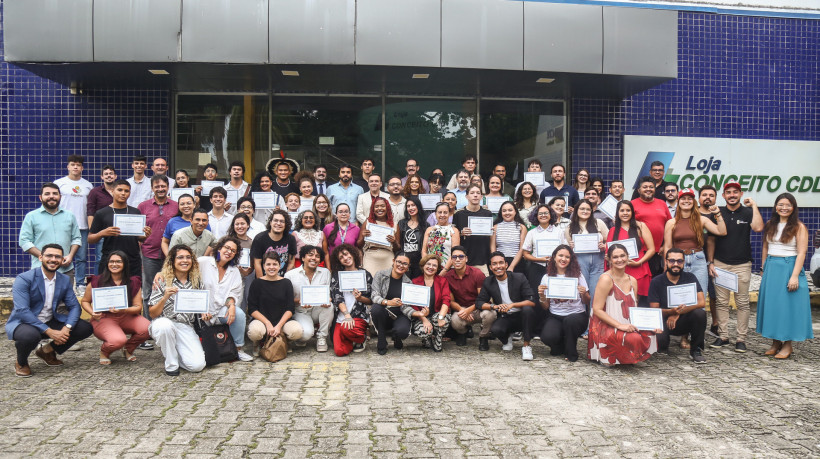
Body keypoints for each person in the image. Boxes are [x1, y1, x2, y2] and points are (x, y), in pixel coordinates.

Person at [7, 244, 94, 377]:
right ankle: (21, 362)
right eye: (49, 256)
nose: (53, 259)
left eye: (57, 257)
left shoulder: (63, 279)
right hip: (24, 323)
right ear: (41, 257)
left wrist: (67, 328)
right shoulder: (24, 278)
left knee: (85, 327)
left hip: (50, 319)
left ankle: (47, 351)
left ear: (62, 260)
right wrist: (49, 332)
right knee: (30, 336)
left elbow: (74, 306)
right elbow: (22, 311)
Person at [706, 180, 763, 352]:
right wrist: (711, 262)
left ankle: (741, 339)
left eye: (735, 192)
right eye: (728, 192)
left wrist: (754, 206)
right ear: (723, 196)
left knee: (743, 303)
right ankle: (723, 336)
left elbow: (759, 227)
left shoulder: (747, 212)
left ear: (740, 194)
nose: (732, 195)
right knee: (722, 303)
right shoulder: (717, 212)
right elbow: (711, 240)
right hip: (721, 263)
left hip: (742, 264)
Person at [756, 192, 812, 359]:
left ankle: (787, 345)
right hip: (771, 268)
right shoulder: (770, 224)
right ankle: (775, 342)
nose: (784, 208)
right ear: (775, 206)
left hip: (789, 267)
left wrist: (794, 276)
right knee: (773, 306)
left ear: (793, 208)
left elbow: (802, 253)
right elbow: (765, 247)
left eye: (788, 205)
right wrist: (763, 267)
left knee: (787, 308)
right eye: (781, 204)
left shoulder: (799, 227)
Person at [588, 244, 659, 366]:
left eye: (622, 256)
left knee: (653, 333)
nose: (620, 260)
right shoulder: (605, 279)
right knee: (634, 338)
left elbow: (633, 308)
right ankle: (613, 356)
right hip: (606, 324)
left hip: (626, 322)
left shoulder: (633, 280)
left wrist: (649, 325)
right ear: (609, 260)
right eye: (615, 257)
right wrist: (620, 326)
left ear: (628, 257)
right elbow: (597, 309)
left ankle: (626, 355)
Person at [80, 251, 150, 365]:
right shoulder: (97, 281)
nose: (114, 264)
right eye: (111, 261)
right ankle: (105, 352)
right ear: (107, 264)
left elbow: (138, 307)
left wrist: (123, 309)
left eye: (118, 261)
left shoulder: (133, 281)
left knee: (148, 328)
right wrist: (92, 312)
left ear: (125, 264)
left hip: (126, 315)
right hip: (104, 318)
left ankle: (128, 348)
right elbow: (85, 301)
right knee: (118, 340)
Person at [147, 244, 207, 376]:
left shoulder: (196, 282)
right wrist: (165, 297)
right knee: (165, 326)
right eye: (180, 257)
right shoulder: (162, 280)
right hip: (163, 322)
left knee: (197, 366)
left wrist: (204, 312)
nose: (184, 261)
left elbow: (201, 308)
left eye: (188, 257)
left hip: (185, 326)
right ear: (172, 261)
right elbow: (152, 313)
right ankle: (171, 363)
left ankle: (175, 352)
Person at [198, 237, 254, 362]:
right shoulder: (203, 262)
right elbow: (182, 268)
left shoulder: (234, 271)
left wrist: (232, 306)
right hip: (199, 311)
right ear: (219, 248)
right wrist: (160, 274)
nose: (229, 252)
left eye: (233, 251)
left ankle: (238, 349)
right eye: (227, 248)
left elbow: (233, 293)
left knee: (239, 314)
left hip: (219, 311)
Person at [648, 248, 707, 363]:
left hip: (684, 320)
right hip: (664, 321)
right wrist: (671, 312)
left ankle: (696, 350)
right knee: (662, 347)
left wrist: (677, 313)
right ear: (666, 262)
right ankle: (663, 345)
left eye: (679, 261)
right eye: (672, 261)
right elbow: (654, 310)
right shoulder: (656, 281)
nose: (676, 264)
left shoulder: (690, 278)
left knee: (700, 313)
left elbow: (701, 302)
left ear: (684, 262)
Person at [662, 188, 726, 294]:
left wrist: (718, 214)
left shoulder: (702, 220)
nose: (686, 201)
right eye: (683, 198)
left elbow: (722, 231)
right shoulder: (671, 223)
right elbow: (668, 246)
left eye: (689, 198)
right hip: (677, 260)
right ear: (678, 201)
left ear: (694, 202)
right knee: (679, 295)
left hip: (698, 259)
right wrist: (666, 264)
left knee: (700, 294)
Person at [476, 252, 537, 360]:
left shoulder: (519, 277)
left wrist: (512, 305)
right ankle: (507, 338)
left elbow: (531, 301)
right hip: (505, 316)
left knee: (528, 310)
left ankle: (526, 346)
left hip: (522, 316)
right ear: (490, 267)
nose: (498, 266)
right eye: (494, 264)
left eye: (501, 263)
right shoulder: (488, 281)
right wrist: (494, 307)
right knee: (495, 330)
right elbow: (479, 302)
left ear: (506, 265)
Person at [19, 183, 81, 287]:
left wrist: (70, 256)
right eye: (47, 194)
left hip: (65, 270)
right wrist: (43, 257)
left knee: (65, 302)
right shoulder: (31, 217)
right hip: (40, 269)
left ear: (60, 197)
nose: (51, 196)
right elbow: (24, 241)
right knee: (40, 302)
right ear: (40, 197)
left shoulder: (70, 216)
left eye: (55, 194)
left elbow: (77, 238)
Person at [536, 245, 590, 362]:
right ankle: (560, 345)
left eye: (567, 257)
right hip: (556, 315)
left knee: (570, 321)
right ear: (554, 257)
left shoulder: (578, 276)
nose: (563, 259)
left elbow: (587, 301)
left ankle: (571, 353)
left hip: (577, 315)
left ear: (571, 260)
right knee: (547, 337)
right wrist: (541, 296)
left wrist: (584, 293)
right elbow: (546, 306)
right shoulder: (547, 277)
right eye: (560, 255)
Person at [88, 180, 149, 278]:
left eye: (126, 191)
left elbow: (139, 238)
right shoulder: (102, 213)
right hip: (110, 260)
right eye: (119, 190)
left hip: (132, 259)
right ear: (112, 191)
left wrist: (145, 235)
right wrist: (102, 233)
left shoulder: (135, 212)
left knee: (133, 290)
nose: (123, 193)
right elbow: (90, 239)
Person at [246, 253, 303, 352]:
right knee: (255, 332)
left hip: (282, 322)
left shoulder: (286, 283)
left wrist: (279, 326)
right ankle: (258, 342)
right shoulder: (257, 283)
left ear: (279, 266)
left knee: (297, 331)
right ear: (263, 266)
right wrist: (267, 323)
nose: (271, 267)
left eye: (274, 264)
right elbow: (252, 309)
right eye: (268, 264)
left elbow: (290, 308)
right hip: (262, 321)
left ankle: (284, 341)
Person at [54, 154, 93, 292]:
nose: (75, 167)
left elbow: (91, 207)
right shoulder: (59, 183)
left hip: (82, 226)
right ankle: (60, 281)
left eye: (78, 165)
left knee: (81, 257)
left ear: (82, 168)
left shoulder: (88, 185)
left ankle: (80, 283)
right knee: (60, 255)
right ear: (68, 166)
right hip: (63, 225)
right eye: (73, 164)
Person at [138, 175, 178, 308]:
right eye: (157, 186)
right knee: (149, 288)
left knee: (171, 287)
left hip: (171, 255)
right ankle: (148, 324)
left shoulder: (176, 206)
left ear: (168, 187)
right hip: (150, 253)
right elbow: (138, 230)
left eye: (163, 186)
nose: (160, 189)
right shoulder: (143, 207)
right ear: (152, 188)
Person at [285, 244, 333, 352]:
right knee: (306, 334)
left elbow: (329, 294)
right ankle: (301, 337)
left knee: (330, 307)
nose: (314, 258)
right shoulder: (290, 275)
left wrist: (327, 300)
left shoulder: (325, 272)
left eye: (317, 256)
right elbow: (285, 300)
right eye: (310, 255)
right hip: (300, 311)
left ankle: (322, 337)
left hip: (318, 309)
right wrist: (299, 301)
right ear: (302, 258)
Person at [607, 200, 655, 305]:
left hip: (640, 268)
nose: (625, 213)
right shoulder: (613, 231)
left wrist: (639, 262)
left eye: (628, 210)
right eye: (622, 210)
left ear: (632, 212)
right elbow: (608, 255)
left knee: (638, 303)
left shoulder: (641, 226)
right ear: (617, 213)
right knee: (622, 304)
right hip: (620, 272)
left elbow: (651, 249)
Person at [328, 244, 373, 356]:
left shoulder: (365, 274)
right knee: (340, 351)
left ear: (352, 254)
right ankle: (350, 339)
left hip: (358, 316)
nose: (345, 258)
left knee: (346, 329)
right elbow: (337, 298)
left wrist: (360, 298)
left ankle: (361, 338)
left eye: (346, 254)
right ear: (339, 261)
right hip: (342, 317)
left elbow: (371, 300)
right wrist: (347, 315)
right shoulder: (337, 275)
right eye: (341, 257)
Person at [445, 246, 492, 349]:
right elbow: (451, 301)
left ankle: (483, 337)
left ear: (466, 259)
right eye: (454, 257)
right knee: (454, 320)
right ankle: (463, 333)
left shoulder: (477, 273)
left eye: (461, 257)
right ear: (451, 259)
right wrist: (462, 310)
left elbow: (482, 299)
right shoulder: (448, 277)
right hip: (462, 307)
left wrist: (469, 310)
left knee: (490, 314)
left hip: (479, 308)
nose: (457, 259)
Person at [566, 200, 608, 305]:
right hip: (579, 261)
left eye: (588, 209)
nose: (585, 211)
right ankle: (583, 318)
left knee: (596, 292)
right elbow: (566, 248)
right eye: (582, 209)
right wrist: (570, 247)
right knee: (582, 291)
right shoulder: (569, 227)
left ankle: (594, 318)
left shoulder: (599, 223)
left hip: (598, 261)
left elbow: (609, 240)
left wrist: (604, 246)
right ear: (576, 210)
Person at [371, 253, 414, 355]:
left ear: (408, 267)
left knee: (403, 331)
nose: (401, 265)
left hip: (399, 314)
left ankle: (397, 336)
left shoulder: (409, 283)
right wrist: (387, 302)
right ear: (393, 261)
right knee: (376, 309)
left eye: (405, 264)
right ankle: (382, 338)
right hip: (383, 313)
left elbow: (407, 306)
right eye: (399, 262)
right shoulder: (380, 275)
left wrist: (419, 314)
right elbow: (374, 295)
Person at [407, 254, 452, 352]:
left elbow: (446, 300)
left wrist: (441, 317)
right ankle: (427, 338)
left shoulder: (442, 281)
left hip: (438, 314)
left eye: (434, 265)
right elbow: (413, 306)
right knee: (423, 331)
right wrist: (424, 319)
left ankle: (438, 337)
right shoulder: (414, 281)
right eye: (428, 264)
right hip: (422, 316)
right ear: (423, 265)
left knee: (439, 319)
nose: (431, 267)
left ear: (437, 268)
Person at [631, 176, 672, 277]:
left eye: (651, 187)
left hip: (659, 252)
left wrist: (665, 245)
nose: (648, 189)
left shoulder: (662, 204)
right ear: (639, 190)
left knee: (657, 279)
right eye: (645, 187)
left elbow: (669, 226)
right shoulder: (632, 204)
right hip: (640, 251)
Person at [521, 204, 566, 289]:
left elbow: (565, 250)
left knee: (554, 291)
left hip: (556, 267)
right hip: (536, 267)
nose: (543, 215)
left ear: (551, 215)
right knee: (537, 293)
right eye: (540, 213)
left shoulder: (559, 232)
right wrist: (540, 259)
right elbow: (525, 254)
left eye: (546, 213)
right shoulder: (532, 233)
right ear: (536, 216)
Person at [453, 184, 494, 276]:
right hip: (464, 259)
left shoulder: (487, 214)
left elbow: (491, 238)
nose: (475, 195)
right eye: (472, 193)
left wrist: (491, 232)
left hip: (482, 260)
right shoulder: (458, 214)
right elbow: (454, 236)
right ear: (466, 196)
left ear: (481, 196)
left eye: (478, 193)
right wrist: (461, 233)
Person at [251, 209, 297, 277]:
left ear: (286, 224)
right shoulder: (259, 239)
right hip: (264, 279)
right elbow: (257, 263)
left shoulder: (291, 239)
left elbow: (291, 262)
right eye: (275, 220)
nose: (278, 223)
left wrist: (285, 280)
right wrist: (262, 283)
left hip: (282, 279)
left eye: (282, 221)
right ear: (270, 222)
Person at [357, 197, 396, 275]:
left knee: (387, 284)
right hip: (370, 258)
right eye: (376, 206)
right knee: (370, 283)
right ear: (373, 209)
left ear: (387, 208)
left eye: (382, 206)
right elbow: (359, 245)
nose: (379, 208)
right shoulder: (367, 223)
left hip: (387, 258)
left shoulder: (394, 225)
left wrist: (394, 242)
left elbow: (398, 248)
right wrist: (363, 237)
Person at [393, 196, 428, 279]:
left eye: (413, 205)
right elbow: (398, 246)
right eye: (408, 206)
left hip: (418, 262)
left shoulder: (426, 225)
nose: (410, 208)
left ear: (418, 206)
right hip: (403, 261)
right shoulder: (401, 223)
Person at [423, 202, 461, 272]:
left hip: (448, 270)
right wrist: (427, 266)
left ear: (449, 214)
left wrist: (444, 270)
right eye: (440, 212)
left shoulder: (454, 230)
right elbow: (424, 251)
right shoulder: (429, 229)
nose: (442, 215)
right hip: (430, 269)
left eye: (445, 212)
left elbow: (454, 253)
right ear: (435, 214)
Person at [491, 201, 527, 273]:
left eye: (510, 210)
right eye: (504, 211)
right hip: (499, 262)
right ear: (501, 213)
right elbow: (493, 247)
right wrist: (497, 262)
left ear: (515, 212)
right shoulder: (495, 227)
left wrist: (511, 266)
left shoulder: (522, 227)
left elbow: (522, 249)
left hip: (517, 262)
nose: (507, 213)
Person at [87, 165, 118, 229]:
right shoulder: (94, 192)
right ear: (102, 177)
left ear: (115, 176)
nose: (109, 176)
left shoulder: (120, 191)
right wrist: (92, 230)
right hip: (100, 230)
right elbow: (90, 212)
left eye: (111, 174)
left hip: (117, 229)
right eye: (106, 174)